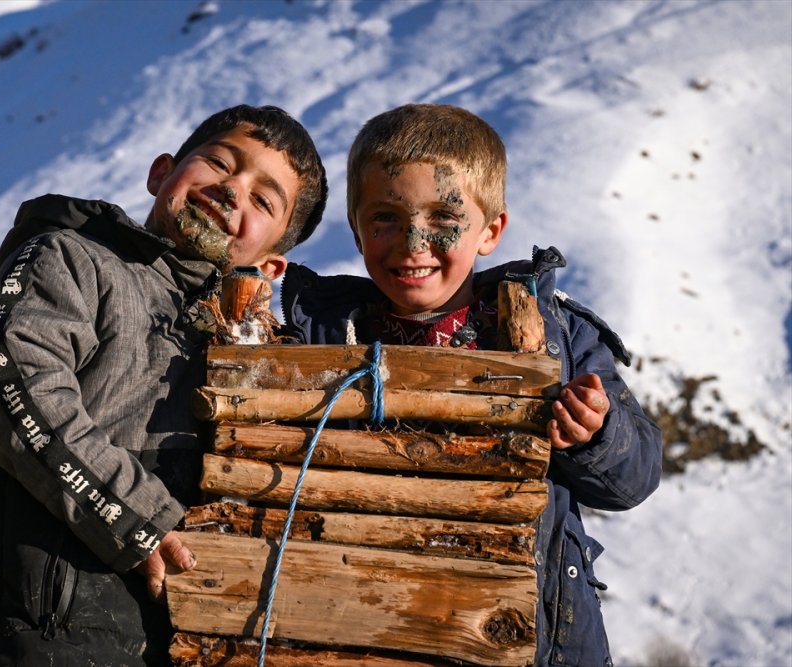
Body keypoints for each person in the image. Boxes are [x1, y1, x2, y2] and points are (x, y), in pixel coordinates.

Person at [280, 103, 661, 666]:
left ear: (492, 230)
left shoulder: (556, 333)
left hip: (521, 629)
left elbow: (634, 477)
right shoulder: (322, 328)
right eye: (385, 217)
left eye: (442, 217)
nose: (413, 243)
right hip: (369, 622)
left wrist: (595, 434)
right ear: (357, 231)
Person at [0, 104, 327, 666]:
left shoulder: (247, 347)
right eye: (220, 163)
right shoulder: (71, 260)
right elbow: (13, 384)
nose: (232, 191)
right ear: (161, 173)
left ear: (272, 266)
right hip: (41, 635)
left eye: (263, 200)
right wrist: (141, 519)